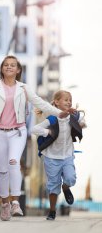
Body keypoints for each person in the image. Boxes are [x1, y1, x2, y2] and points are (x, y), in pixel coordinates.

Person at [0, 55, 72, 221]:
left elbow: (40, 103)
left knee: (13, 162)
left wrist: (58, 113)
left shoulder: (24, 88)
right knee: (2, 169)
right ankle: (5, 204)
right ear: (2, 69)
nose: (9, 67)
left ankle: (15, 202)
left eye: (13, 65)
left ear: (18, 70)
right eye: (6, 65)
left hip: (17, 132)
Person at [31, 90, 85, 220]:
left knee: (71, 178)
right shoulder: (52, 118)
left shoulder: (72, 116)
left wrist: (81, 122)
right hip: (51, 157)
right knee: (53, 185)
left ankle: (66, 188)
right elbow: (34, 129)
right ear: (56, 102)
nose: (69, 102)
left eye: (70, 100)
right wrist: (47, 132)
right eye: (66, 99)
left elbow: (82, 120)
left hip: (67, 155)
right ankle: (52, 211)